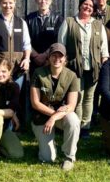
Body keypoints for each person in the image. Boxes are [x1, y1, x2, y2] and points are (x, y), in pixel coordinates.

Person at [58, 0, 109, 138]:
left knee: (89, 98)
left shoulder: (98, 25)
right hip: (75, 69)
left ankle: (86, 127)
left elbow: (104, 48)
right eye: (85, 4)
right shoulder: (69, 22)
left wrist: (103, 63)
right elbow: (61, 45)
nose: (88, 7)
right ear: (80, 5)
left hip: (93, 68)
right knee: (78, 97)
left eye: (91, 6)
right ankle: (77, 126)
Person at [30, 43, 80, 171]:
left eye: (60, 56)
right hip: (41, 117)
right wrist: (53, 115)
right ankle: (47, 145)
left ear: (65, 59)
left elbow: (71, 105)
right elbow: (35, 103)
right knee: (48, 158)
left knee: (73, 119)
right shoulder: (38, 73)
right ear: (48, 57)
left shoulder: (72, 76)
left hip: (61, 116)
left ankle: (69, 157)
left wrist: (54, 118)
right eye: (54, 55)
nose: (57, 59)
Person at [26, 0, 64, 72]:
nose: (43, 1)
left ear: (50, 2)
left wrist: (45, 55)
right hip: (34, 61)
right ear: (36, 1)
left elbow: (58, 40)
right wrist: (36, 56)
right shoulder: (28, 19)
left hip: (52, 60)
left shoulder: (58, 19)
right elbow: (25, 40)